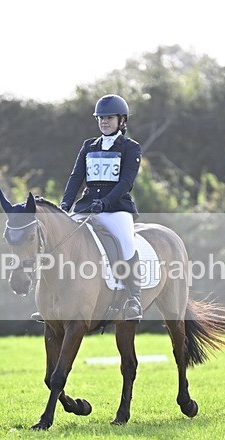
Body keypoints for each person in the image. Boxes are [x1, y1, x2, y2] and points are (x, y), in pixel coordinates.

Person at [35, 94, 144, 322]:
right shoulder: (89, 146)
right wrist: (65, 204)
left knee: (126, 241)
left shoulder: (130, 148)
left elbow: (126, 183)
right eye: (101, 118)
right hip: (86, 206)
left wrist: (106, 202)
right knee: (60, 239)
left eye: (109, 118)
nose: (104, 122)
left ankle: (134, 297)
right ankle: (51, 300)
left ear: (121, 120)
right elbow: (76, 177)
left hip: (116, 208)